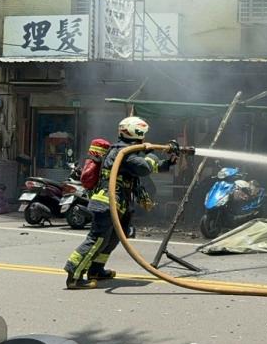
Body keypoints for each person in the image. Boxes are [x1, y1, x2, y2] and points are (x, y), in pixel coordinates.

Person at [64, 116, 180, 289]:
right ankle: (74, 275)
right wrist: (150, 153)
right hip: (107, 203)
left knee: (111, 239)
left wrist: (168, 163)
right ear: (137, 132)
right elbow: (145, 168)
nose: (144, 138)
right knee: (97, 239)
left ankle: (96, 270)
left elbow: (147, 167)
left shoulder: (127, 151)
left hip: (117, 204)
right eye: (143, 134)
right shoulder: (123, 153)